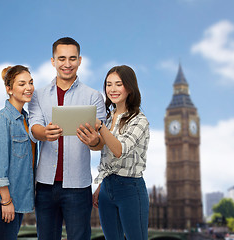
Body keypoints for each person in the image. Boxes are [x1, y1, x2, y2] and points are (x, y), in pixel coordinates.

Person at [28, 37, 106, 240]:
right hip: (44, 185)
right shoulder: (38, 95)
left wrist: (93, 141)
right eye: (61, 58)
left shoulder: (93, 96)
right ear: (53, 61)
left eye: (72, 58)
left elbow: (101, 143)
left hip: (78, 187)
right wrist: (44, 133)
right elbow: (34, 127)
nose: (67, 64)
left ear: (80, 60)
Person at [77, 65, 150, 240]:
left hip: (130, 189)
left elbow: (119, 150)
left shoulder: (139, 120)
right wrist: (101, 186)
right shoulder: (108, 118)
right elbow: (103, 151)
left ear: (130, 87)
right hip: (106, 189)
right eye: (109, 84)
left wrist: (100, 127)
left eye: (118, 84)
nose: (112, 89)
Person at [0, 65, 36, 240]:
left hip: (17, 197)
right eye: (22, 84)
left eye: (30, 82)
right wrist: (6, 201)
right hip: (2, 199)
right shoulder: (4, 119)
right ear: (9, 89)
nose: (28, 88)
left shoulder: (26, 119)